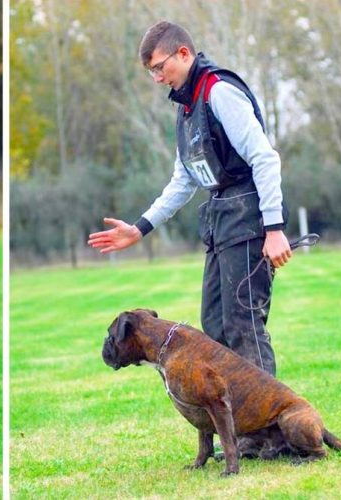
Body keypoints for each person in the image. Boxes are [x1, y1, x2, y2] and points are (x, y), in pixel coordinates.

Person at [88, 21, 292, 378]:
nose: (156, 79)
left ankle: (268, 430)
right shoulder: (186, 109)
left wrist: (274, 228)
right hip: (221, 223)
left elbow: (264, 157)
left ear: (183, 54)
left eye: (158, 67)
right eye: (150, 72)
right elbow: (183, 181)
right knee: (215, 325)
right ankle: (237, 429)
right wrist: (140, 228)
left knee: (243, 326)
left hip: (247, 220)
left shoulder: (219, 93)